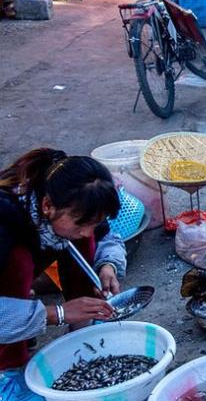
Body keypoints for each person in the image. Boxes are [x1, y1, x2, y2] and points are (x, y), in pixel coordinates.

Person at [0, 148, 125, 375]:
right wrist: (55, 313)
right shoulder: (4, 220)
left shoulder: (66, 193)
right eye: (81, 223)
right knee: (19, 263)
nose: (88, 231)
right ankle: (7, 368)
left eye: (94, 223)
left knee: (80, 242)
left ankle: (82, 330)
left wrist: (108, 265)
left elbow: (106, 235)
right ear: (47, 205)